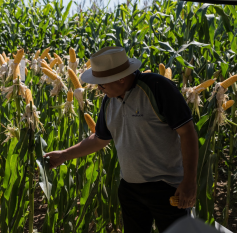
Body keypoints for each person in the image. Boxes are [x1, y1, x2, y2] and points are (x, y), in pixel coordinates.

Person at [44, 46, 199, 233]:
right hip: (130, 188)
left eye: (102, 84)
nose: (99, 89)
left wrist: (189, 181)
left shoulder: (157, 88)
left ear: (121, 78)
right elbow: (99, 140)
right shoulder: (109, 100)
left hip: (166, 187)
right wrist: (63, 155)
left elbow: (187, 132)